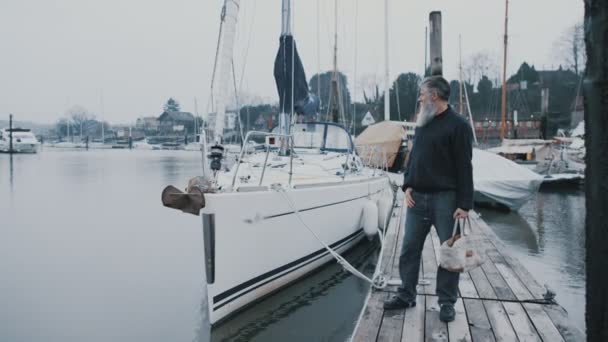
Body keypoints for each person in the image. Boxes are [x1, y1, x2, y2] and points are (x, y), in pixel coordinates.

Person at [383, 76, 474, 323]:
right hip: (417, 199)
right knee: (409, 249)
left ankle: (446, 302)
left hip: (445, 199)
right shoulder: (423, 122)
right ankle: (406, 294)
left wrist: (464, 204)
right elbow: (414, 158)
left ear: (434, 95)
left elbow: (465, 167)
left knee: (449, 254)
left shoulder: (459, 126)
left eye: (423, 93)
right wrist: (408, 185)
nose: (420, 97)